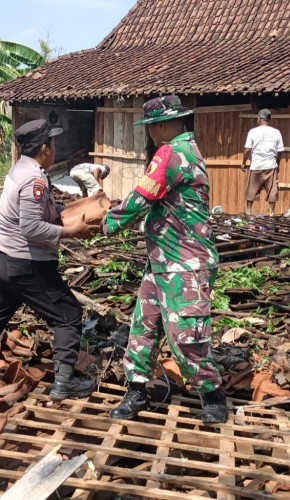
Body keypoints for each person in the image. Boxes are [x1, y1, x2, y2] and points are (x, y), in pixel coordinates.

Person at [101, 95, 227, 424]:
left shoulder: (171, 153)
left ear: (159, 126)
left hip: (184, 263)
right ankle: (136, 390)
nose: (152, 134)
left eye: (153, 128)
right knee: (144, 327)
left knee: (186, 334)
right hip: (163, 260)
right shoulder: (187, 150)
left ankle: (212, 394)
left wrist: (109, 222)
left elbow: (141, 197)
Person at [0, 119, 95, 400]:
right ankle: (63, 384)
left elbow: (38, 210)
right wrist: (71, 231)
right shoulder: (34, 179)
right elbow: (30, 227)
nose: (55, 147)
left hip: (1, 259)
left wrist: (69, 207)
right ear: (44, 147)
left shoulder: (21, 169)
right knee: (68, 315)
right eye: (52, 143)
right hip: (25, 264)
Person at [242, 109, 284, 216]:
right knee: (272, 191)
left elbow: (247, 150)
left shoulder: (253, 132)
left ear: (258, 119)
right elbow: (280, 152)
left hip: (256, 165)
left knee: (251, 192)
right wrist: (277, 164)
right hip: (271, 166)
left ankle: (248, 212)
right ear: (269, 120)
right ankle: (271, 213)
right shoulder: (276, 132)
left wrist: (243, 162)